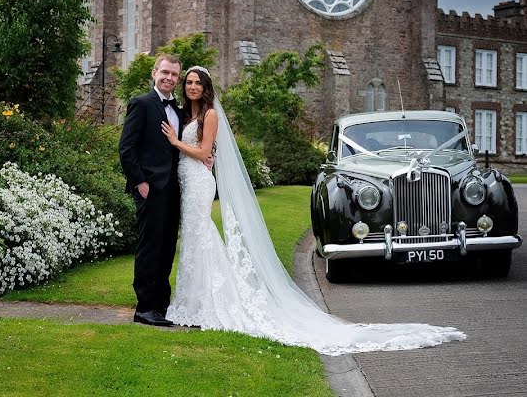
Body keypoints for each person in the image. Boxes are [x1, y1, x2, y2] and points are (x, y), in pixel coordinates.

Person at [159, 65, 466, 355]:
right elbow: (203, 151)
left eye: (198, 83)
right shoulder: (187, 114)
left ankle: (209, 302)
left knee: (202, 233)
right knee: (194, 237)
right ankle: (193, 301)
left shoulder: (210, 114)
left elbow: (202, 151)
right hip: (187, 179)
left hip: (198, 181)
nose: (193, 87)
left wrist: (175, 142)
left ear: (206, 87)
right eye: (189, 83)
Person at [118, 53, 183, 326]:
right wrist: (140, 182)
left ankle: (161, 304)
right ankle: (144, 307)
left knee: (168, 246)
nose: (169, 78)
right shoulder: (141, 104)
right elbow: (126, 148)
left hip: (173, 191)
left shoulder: (179, 110)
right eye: (165, 72)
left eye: (174, 75)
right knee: (149, 246)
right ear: (154, 73)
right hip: (150, 189)